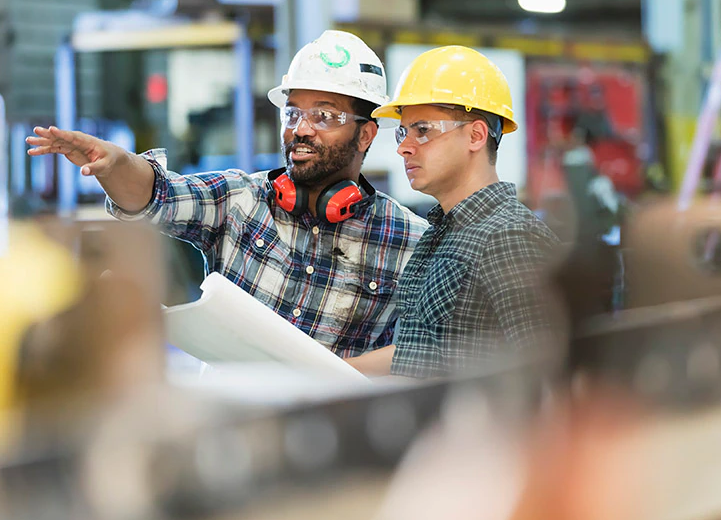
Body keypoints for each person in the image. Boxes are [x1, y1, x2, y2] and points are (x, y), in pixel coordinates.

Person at [27, 30, 428, 357]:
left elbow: (418, 357)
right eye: (293, 113)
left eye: (324, 115)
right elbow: (156, 194)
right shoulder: (239, 200)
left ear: (367, 133)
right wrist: (115, 164)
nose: (301, 129)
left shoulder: (409, 241)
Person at [346, 46, 564, 378]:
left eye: (423, 130)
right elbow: (418, 352)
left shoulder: (509, 237)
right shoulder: (439, 235)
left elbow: (551, 370)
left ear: (476, 135)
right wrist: (323, 370)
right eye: (404, 132)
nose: (404, 146)